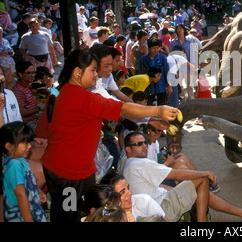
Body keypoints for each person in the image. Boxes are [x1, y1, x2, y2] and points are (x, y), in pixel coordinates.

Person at [35, 49, 179, 222]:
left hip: (61, 170)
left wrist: (151, 119)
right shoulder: (82, 97)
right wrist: (158, 110)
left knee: (67, 211)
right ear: (77, 72)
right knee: (70, 214)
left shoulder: (63, 92)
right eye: (93, 70)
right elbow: (123, 108)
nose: (97, 74)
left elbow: (44, 131)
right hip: (69, 176)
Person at [122, 131, 242, 222]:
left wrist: (175, 187)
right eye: (139, 144)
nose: (144, 146)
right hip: (161, 208)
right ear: (128, 149)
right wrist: (206, 173)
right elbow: (175, 174)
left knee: (190, 175)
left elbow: (151, 187)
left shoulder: (128, 163)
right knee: (200, 179)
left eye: (144, 142)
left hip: (157, 201)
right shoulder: (139, 164)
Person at [0, 122, 47, 222]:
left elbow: (28, 182)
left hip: (31, 209)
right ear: (9, 146)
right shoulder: (14, 166)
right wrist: (28, 220)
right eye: (25, 143)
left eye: (29, 142)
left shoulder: (21, 160)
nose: (29, 146)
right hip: (21, 216)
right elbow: (20, 196)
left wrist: (37, 190)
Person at [101, 172, 167, 222]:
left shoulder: (144, 201)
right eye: (122, 192)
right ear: (110, 199)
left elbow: (165, 220)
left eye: (128, 188)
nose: (129, 193)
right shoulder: (108, 215)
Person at [139, 38, 172, 106]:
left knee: (162, 105)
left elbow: (167, 72)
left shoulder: (163, 58)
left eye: (158, 48)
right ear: (149, 48)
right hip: (148, 87)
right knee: (149, 105)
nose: (156, 50)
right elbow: (140, 74)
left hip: (161, 85)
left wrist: (169, 86)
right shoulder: (143, 59)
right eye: (153, 48)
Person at [13, 61, 40, 131]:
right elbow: (22, 113)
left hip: (35, 117)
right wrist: (39, 108)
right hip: (27, 122)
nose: (32, 75)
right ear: (20, 74)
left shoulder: (28, 86)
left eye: (34, 72)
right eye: (28, 73)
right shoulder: (18, 90)